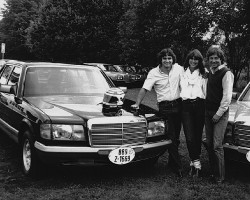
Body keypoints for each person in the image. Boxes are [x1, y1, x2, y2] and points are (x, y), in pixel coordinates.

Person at [131, 48, 184, 177]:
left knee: (176, 136)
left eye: (169, 58)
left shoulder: (179, 69)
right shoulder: (154, 73)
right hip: (165, 107)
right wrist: (137, 103)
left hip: (178, 105)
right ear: (161, 59)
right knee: (170, 136)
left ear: (173, 59)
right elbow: (145, 89)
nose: (167, 60)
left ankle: (172, 161)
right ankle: (177, 166)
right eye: (164, 58)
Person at [205, 45, 234, 184]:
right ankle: (213, 172)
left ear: (221, 59)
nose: (214, 60)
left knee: (217, 144)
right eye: (211, 58)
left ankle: (220, 177)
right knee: (209, 143)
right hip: (208, 112)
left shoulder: (226, 73)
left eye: (216, 58)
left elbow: (227, 98)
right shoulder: (210, 72)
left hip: (220, 113)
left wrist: (218, 114)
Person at [180, 49, 207, 178]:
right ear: (188, 59)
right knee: (189, 136)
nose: (193, 61)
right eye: (191, 58)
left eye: (196, 59)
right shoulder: (182, 72)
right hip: (185, 106)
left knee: (197, 136)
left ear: (199, 61)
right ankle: (197, 162)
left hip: (199, 105)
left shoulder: (204, 74)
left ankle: (194, 162)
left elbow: (206, 92)